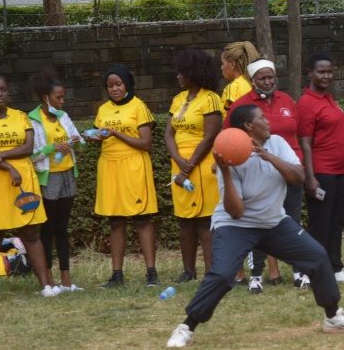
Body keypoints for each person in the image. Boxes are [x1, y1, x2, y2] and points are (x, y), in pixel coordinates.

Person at [166, 104, 344, 348]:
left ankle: (333, 317)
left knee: (317, 256)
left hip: (274, 222)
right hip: (236, 226)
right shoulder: (228, 156)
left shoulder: (278, 143)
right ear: (249, 125)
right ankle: (186, 328)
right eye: (262, 117)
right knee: (222, 275)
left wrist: (268, 156)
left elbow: (298, 178)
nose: (268, 121)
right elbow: (236, 212)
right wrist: (226, 172)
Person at [0, 72, 56, 301]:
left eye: (3, 89)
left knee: (30, 233)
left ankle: (46, 286)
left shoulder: (20, 116)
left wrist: (0, 155)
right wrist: (9, 167)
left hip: (22, 179)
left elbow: (28, 148)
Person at [228, 59, 306, 292]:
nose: (268, 82)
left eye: (271, 77)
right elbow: (229, 138)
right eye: (262, 78)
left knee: (292, 221)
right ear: (252, 80)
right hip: (258, 171)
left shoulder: (287, 100)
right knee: (259, 222)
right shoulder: (242, 105)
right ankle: (256, 275)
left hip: (288, 167)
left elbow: (297, 133)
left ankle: (299, 272)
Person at [90, 64, 159, 288]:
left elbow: (146, 143)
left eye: (118, 84)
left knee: (142, 219)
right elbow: (101, 137)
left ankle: (151, 274)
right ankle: (117, 275)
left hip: (133, 166)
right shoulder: (103, 110)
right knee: (116, 221)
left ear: (127, 84)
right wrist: (93, 137)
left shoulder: (139, 106)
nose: (114, 89)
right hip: (109, 166)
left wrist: (115, 133)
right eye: (110, 86)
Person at [297, 52, 344, 284]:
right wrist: (310, 177)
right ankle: (310, 270)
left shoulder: (329, 99)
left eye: (329, 72)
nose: (326, 76)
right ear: (310, 73)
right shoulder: (306, 103)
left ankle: (335, 268)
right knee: (319, 224)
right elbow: (305, 143)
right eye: (321, 71)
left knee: (336, 222)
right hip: (322, 172)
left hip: (341, 171)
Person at [165, 49, 223, 283]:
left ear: (196, 72)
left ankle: (211, 272)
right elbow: (169, 133)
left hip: (203, 164)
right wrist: (178, 160)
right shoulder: (178, 99)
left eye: (183, 72)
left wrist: (188, 166)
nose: (178, 76)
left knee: (206, 220)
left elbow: (210, 137)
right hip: (180, 164)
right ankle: (188, 271)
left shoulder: (211, 99)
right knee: (185, 219)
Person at [28, 70, 83, 292]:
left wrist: (77, 141)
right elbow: (30, 155)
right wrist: (52, 147)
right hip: (48, 177)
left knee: (62, 227)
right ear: (45, 98)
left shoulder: (63, 116)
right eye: (58, 97)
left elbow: (78, 142)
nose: (62, 101)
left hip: (68, 174)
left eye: (63, 97)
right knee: (48, 228)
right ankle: (48, 280)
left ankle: (66, 281)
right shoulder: (32, 120)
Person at [219, 41, 259, 114]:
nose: (221, 68)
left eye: (222, 63)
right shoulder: (252, 82)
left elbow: (230, 116)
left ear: (232, 64)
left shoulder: (234, 87)